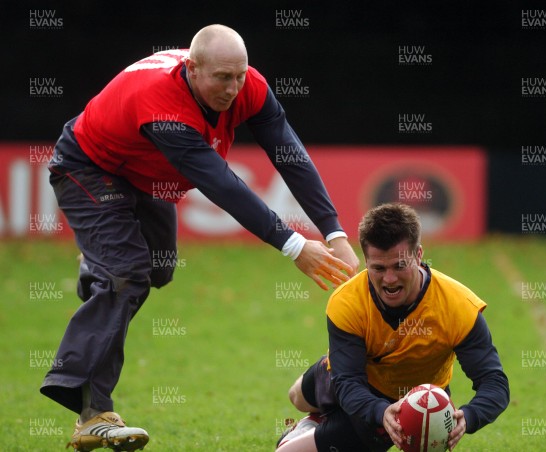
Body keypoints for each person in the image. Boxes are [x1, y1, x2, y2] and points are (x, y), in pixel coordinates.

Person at [41, 24, 359, 451]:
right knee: (126, 276)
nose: (232, 89)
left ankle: (98, 269)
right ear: (192, 69)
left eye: (239, 76)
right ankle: (91, 411)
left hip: (145, 175)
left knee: (158, 270)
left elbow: (289, 153)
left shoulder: (250, 86)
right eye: (221, 78)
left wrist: (334, 230)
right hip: (89, 166)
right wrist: (295, 245)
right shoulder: (163, 107)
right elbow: (222, 185)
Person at [276, 203, 510, 451]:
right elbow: (348, 383)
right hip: (351, 380)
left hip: (411, 406)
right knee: (296, 396)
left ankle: (313, 429)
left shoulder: (458, 306)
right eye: (378, 268)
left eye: (399, 266)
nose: (389, 279)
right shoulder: (347, 301)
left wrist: (468, 416)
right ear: (366, 261)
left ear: (418, 255)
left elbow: (495, 383)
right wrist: (379, 410)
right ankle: (317, 415)